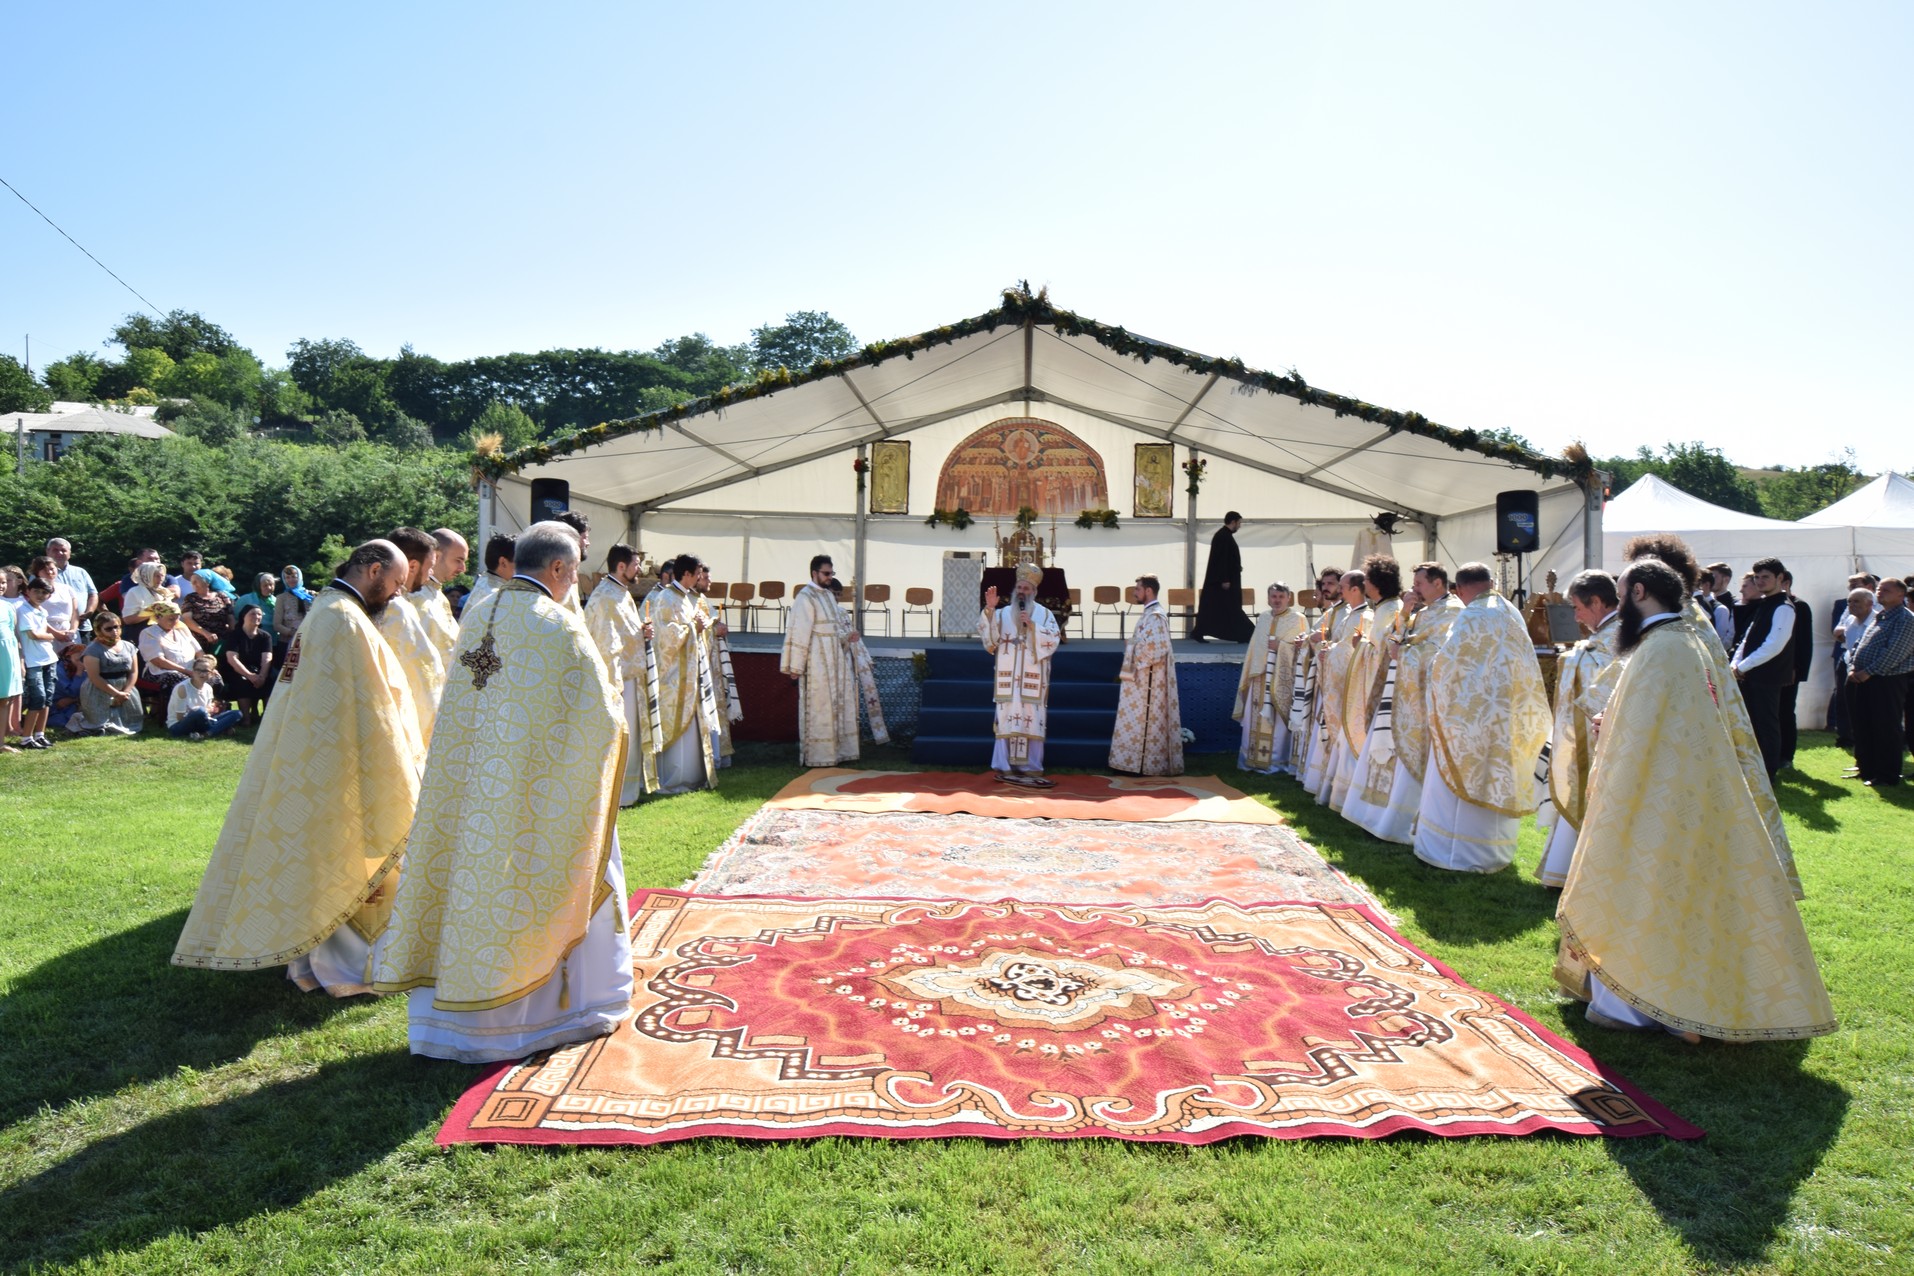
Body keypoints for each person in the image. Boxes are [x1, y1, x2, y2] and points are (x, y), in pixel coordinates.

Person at [371, 520, 633, 1062]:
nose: (573, 582)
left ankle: (451, 1022)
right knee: (544, 883)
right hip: (533, 796)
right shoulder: (558, 627)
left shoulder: (480, 612)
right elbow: (602, 718)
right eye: (573, 572)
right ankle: (549, 1013)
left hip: (469, 790)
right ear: (557, 568)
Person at [1556, 558, 1835, 1043]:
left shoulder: (1663, 648)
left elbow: (1644, 731)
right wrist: (1612, 722)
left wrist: (1609, 727)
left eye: (1621, 596)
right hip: (1679, 790)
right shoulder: (1681, 641)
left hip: (1653, 797)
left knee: (1644, 891)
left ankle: (1643, 1005)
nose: (1618, 607)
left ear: (1639, 593)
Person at [172, 540, 424, 995]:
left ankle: (313, 964)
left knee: (320, 864)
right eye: (395, 582)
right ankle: (343, 970)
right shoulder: (344, 620)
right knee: (338, 862)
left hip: (315, 760)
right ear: (373, 570)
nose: (397, 592)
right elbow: (373, 706)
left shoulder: (328, 611)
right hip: (340, 763)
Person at [1412, 562, 1549, 874]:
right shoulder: (1511, 612)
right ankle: (1494, 852)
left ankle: (1454, 854)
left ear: (1459, 589)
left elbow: (1446, 665)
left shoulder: (1471, 615)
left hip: (1469, 720)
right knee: (1497, 778)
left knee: (1461, 782)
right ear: (1490, 583)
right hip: (1506, 716)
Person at [1345, 562, 1463, 844]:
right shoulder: (1420, 610)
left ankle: (1401, 823)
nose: (1414, 589)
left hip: (1422, 699)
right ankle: (1376, 815)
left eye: (1419, 583)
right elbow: (1392, 640)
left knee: (1410, 758)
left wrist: (1404, 653)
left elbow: (1440, 654)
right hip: (1401, 691)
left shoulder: (1453, 612)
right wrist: (1406, 613)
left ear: (1437, 583)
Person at [1535, 570, 1621, 887]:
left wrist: (1572, 658)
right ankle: (1563, 870)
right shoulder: (1608, 635)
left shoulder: (1620, 634)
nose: (1575, 616)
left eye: (1578, 607)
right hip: (1586, 735)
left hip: (1601, 737)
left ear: (1596, 602)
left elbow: (1607, 678)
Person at [583, 542, 660, 802]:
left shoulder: (622, 593)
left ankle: (627, 791)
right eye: (636, 564)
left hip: (630, 675)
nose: (639, 569)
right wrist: (613, 685)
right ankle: (617, 794)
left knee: (632, 738)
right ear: (621, 566)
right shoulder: (605, 597)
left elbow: (626, 631)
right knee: (620, 737)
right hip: (617, 680)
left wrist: (642, 631)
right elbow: (606, 643)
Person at [980, 560, 1061, 787]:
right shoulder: (1002, 613)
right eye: (1019, 587)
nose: (1022, 591)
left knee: (1032, 720)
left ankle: (1031, 767)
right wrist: (989, 610)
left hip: (1032, 680)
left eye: (1026, 588)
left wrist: (1033, 626)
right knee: (1006, 720)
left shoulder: (1045, 614)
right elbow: (990, 641)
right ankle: (1003, 766)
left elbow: (1053, 639)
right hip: (1008, 681)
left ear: (1034, 591)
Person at [1334, 556, 1406, 812]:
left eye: (1367, 579)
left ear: (1376, 583)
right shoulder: (1383, 609)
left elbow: (1382, 654)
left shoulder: (1391, 610)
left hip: (1382, 692)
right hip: (1372, 688)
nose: (1364, 584)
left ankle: (1365, 806)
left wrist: (1361, 645)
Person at [645, 553, 720, 793]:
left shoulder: (687, 598)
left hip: (690, 674)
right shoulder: (666, 598)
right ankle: (673, 779)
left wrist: (700, 627)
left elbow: (691, 629)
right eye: (697, 574)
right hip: (674, 677)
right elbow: (664, 636)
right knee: (676, 727)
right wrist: (692, 627)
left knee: (692, 728)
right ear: (686, 574)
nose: (699, 578)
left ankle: (692, 776)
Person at [781, 554, 866, 767]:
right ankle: (819, 756)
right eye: (826, 573)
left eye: (831, 573)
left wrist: (846, 638)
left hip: (836, 659)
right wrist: (796, 666)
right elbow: (799, 632)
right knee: (820, 706)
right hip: (816, 661)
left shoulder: (828, 595)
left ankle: (838, 752)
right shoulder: (805, 597)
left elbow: (834, 629)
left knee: (838, 705)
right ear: (814, 573)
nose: (830, 577)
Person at [377, 527, 449, 746]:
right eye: (430, 567)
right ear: (413, 566)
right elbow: (423, 675)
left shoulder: (373, 600)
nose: (430, 575)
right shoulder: (397, 608)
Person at [1303, 569, 1369, 801]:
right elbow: (1337, 643)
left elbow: (1349, 651)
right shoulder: (1349, 614)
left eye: (1342, 587)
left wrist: (1329, 651)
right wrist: (1326, 649)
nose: (1339, 591)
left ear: (1355, 589)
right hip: (1336, 683)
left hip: (1349, 688)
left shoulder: (1365, 616)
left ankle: (1344, 792)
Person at [1110, 574, 1184, 774]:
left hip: (1150, 680)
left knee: (1147, 721)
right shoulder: (1149, 614)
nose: (1135, 593)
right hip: (1142, 678)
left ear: (1148, 591)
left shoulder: (1156, 616)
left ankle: (1145, 765)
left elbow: (1155, 649)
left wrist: (1131, 645)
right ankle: (1134, 763)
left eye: (1138, 589)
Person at [1845, 576, 1914, 788]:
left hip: (1887, 680)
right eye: (1879, 589)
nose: (1879, 593)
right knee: (1864, 724)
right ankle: (1867, 769)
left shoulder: (1905, 619)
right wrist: (1853, 667)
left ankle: (1887, 774)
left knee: (1886, 726)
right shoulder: (1880, 616)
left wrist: (1869, 671)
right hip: (1863, 678)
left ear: (1901, 595)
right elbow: (1860, 643)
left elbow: (1896, 652)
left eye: (1886, 590)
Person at [1731, 557, 1796, 780]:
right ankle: (1754, 769)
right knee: (1751, 724)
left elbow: (1774, 645)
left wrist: (1743, 666)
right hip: (1750, 675)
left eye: (1765, 577)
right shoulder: (1765, 603)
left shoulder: (1784, 607)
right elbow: (1747, 639)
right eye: (1757, 577)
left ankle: (1767, 772)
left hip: (1766, 676)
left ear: (1780, 578)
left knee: (1766, 725)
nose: (1760, 581)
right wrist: (1735, 665)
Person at [1233, 582, 1306, 773]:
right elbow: (1255, 648)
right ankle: (1252, 759)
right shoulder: (1264, 617)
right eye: (1274, 596)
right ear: (1268, 598)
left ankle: (1277, 761)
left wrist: (1281, 647)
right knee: (1255, 719)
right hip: (1259, 676)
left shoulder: (1298, 619)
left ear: (1289, 598)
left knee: (1278, 721)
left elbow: (1304, 649)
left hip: (1282, 678)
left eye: (1281, 597)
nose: (1277, 600)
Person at [1286, 568, 1347, 783]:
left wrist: (1314, 640)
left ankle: (1327, 775)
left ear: (1342, 586)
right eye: (1324, 584)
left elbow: (1341, 645)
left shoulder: (1348, 613)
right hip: (1321, 677)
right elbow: (1317, 635)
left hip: (1336, 682)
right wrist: (1306, 640)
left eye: (1331, 583)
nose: (1326, 588)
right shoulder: (1331, 612)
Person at [687, 560, 741, 768]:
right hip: (701, 666)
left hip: (713, 666)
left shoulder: (702, 600)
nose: (709, 581)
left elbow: (710, 624)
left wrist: (719, 626)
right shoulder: (688, 600)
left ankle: (719, 754)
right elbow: (692, 631)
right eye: (706, 578)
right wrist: (714, 630)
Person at [15, 578, 65, 748]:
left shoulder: (42, 610)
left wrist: (48, 636)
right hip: (33, 661)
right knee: (38, 698)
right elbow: (33, 635)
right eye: (36, 591)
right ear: (28, 591)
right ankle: (26, 738)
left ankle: (39, 734)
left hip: (49, 659)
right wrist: (53, 636)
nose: (40, 595)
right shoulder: (23, 610)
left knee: (47, 699)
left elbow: (40, 632)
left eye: (44, 593)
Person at [1189, 512, 1254, 642]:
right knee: (1230, 609)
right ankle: (1246, 634)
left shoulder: (1224, 535)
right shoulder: (1223, 536)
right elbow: (1221, 560)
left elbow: (1226, 558)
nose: (1239, 526)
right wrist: (1224, 579)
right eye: (1239, 523)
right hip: (1223, 582)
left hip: (1224, 581)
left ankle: (1200, 632)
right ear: (1233, 522)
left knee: (1215, 609)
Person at [78, 611, 143, 735]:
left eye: (116, 627)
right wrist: (116, 694)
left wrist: (126, 692)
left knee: (133, 723)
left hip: (125, 687)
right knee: (101, 725)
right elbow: (94, 676)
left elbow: (134, 671)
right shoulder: (93, 649)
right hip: (100, 688)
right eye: (108, 629)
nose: (114, 631)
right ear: (99, 630)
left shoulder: (128, 646)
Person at [410, 528, 466, 661]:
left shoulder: (437, 594)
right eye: (458, 560)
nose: (463, 569)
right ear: (436, 556)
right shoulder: (414, 596)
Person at [1830, 587, 1876, 748]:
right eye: (1849, 601)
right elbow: (1846, 643)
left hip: (1870, 672)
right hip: (1849, 666)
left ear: (1870, 603)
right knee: (1846, 704)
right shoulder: (1849, 621)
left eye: (1857, 601)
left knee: (1869, 711)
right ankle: (1849, 739)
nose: (1852, 604)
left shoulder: (1877, 621)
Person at [1778, 570, 1813, 771]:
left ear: (1786, 582)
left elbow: (1803, 642)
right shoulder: (1769, 604)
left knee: (1785, 711)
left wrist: (1797, 669)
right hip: (1771, 669)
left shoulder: (1799, 606)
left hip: (1790, 669)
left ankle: (1786, 755)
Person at [220, 603, 276, 723]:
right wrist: (250, 676)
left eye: (259, 614)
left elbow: (267, 658)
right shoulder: (234, 635)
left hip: (259, 669)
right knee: (242, 681)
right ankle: (246, 719)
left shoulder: (265, 636)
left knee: (270, 680)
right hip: (238, 669)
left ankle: (267, 718)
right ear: (243, 616)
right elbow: (232, 659)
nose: (256, 616)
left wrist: (262, 676)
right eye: (253, 614)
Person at [167, 654, 245, 739]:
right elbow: (180, 718)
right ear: (193, 671)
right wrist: (202, 712)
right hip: (179, 725)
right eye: (198, 670)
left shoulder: (208, 688)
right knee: (200, 711)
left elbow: (208, 714)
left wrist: (211, 710)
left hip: (202, 720)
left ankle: (205, 734)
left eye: (205, 671)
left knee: (237, 713)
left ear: (211, 673)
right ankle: (217, 730)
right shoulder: (183, 688)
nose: (201, 674)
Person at [135, 599, 200, 700]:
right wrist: (187, 671)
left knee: (213, 677)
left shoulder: (181, 629)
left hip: (189, 669)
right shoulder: (149, 633)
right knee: (182, 680)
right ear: (158, 617)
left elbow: (199, 651)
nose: (175, 622)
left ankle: (212, 706)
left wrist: (207, 666)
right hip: (160, 672)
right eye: (171, 619)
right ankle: (183, 708)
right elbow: (159, 662)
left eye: (177, 618)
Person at [28, 556, 82, 653]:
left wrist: (73, 630)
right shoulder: (34, 592)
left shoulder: (67, 589)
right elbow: (36, 615)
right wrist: (56, 634)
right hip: (47, 632)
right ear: (37, 572)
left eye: (52, 569)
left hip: (68, 632)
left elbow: (75, 613)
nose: (49, 572)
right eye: (45, 570)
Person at [180, 569, 236, 649]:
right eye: (192, 582)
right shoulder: (191, 598)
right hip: (199, 641)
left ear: (207, 582)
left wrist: (232, 634)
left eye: (196, 581)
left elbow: (230, 616)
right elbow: (187, 619)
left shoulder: (221, 596)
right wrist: (206, 633)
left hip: (221, 641)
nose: (193, 584)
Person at [462, 533, 515, 617]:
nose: (524, 567)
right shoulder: (499, 597)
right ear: (503, 563)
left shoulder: (483, 584)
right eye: (520, 561)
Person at [46, 538, 98, 617]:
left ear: (69, 553)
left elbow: (93, 595)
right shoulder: (41, 573)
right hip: (56, 623)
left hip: (83, 622)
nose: (60, 553)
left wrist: (89, 612)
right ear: (47, 552)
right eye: (55, 550)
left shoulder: (81, 572)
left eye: (63, 550)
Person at [0, 575, 22, 751]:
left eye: (3, 582)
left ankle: (0, 743)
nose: (1, 585)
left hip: (7, 656)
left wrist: (20, 661)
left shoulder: (8, 606)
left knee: (5, 699)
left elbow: (14, 634)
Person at [274, 565, 312, 651]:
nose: (291, 580)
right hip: (287, 642)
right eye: (287, 577)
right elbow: (277, 625)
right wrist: (293, 633)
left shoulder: (310, 596)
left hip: (308, 641)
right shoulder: (281, 598)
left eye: (294, 577)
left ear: (300, 577)